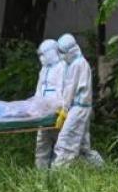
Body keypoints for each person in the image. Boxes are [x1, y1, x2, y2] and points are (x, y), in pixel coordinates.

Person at [52, 33, 104, 168]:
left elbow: (70, 89)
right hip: (82, 107)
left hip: (78, 108)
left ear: (70, 51)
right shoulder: (78, 62)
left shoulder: (77, 65)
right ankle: (101, 169)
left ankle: (57, 175)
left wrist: (64, 109)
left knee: (65, 142)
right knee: (83, 146)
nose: (61, 56)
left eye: (62, 52)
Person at [34, 39, 66, 169]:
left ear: (52, 53)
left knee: (60, 144)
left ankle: (56, 174)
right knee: (42, 143)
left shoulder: (63, 67)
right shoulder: (44, 69)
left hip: (57, 112)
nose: (41, 57)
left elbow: (64, 91)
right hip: (43, 112)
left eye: (44, 54)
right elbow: (39, 90)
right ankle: (40, 172)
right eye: (40, 55)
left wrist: (62, 108)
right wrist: (35, 106)